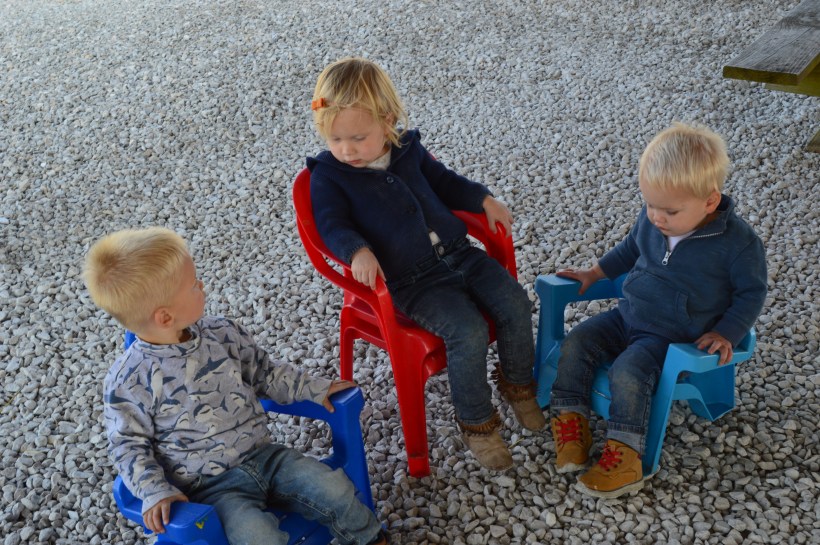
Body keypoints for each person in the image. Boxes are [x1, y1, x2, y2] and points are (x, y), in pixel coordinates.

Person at [306, 57, 545, 472]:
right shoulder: (330, 176)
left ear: (387, 120)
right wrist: (357, 250)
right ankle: (477, 423)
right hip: (412, 281)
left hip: (460, 254)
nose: (346, 150)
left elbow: (445, 182)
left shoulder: (407, 150)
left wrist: (481, 199)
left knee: (515, 302)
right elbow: (330, 225)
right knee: (467, 330)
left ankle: (518, 384)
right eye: (335, 139)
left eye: (358, 138)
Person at [83, 227, 387, 545]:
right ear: (165, 317)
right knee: (258, 537)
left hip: (266, 458)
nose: (202, 285)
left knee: (333, 488)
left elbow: (265, 373)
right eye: (193, 285)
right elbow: (128, 445)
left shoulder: (222, 333)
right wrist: (156, 491)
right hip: (212, 489)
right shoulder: (129, 380)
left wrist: (313, 389)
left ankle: (369, 538)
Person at [549, 122, 767, 498]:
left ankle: (627, 455)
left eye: (668, 210)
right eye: (649, 204)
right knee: (577, 342)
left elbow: (752, 293)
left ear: (710, 201)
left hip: (670, 335)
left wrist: (726, 332)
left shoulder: (738, 245)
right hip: (628, 314)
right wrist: (594, 273)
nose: (656, 217)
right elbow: (630, 248)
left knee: (628, 372)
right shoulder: (655, 219)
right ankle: (571, 421)